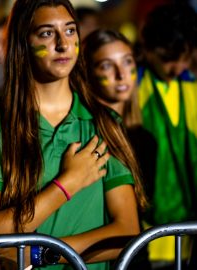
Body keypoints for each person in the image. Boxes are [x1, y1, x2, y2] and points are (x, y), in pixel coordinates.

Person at [0, 0, 147, 269]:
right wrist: (68, 184)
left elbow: (126, 232)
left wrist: (41, 254)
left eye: (70, 31)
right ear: (23, 42)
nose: (63, 44)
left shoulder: (104, 123)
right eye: (47, 33)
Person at [83, 29, 155, 270]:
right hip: (93, 257)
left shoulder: (144, 139)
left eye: (127, 61)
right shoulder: (86, 133)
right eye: (106, 66)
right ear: (88, 72)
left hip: (135, 254)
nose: (121, 74)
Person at [136, 3, 197, 268]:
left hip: (190, 234)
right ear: (147, 48)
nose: (176, 67)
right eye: (167, 58)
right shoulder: (131, 86)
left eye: (183, 57)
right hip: (148, 237)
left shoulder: (191, 86)